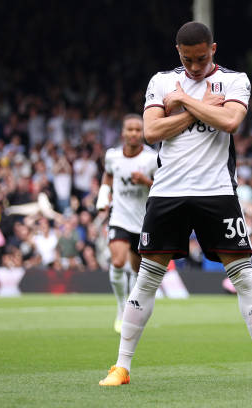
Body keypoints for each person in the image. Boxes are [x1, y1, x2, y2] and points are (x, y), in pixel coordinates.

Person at [99, 22, 252, 389]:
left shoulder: (235, 81)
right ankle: (121, 366)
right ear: (178, 53)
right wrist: (195, 105)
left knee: (243, 276)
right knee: (148, 278)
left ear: (213, 49)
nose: (195, 65)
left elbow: (230, 121)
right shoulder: (161, 81)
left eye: (201, 58)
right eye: (188, 59)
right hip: (167, 191)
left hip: (217, 191)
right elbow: (152, 132)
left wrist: (182, 103)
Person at [95, 114, 158, 333]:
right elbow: (108, 175)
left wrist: (146, 181)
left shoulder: (151, 159)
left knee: (136, 269)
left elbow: (162, 187)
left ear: (143, 132)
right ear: (123, 133)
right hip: (119, 218)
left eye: (137, 130)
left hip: (142, 222)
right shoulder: (112, 156)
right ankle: (121, 307)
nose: (133, 133)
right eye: (129, 129)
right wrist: (104, 196)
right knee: (118, 261)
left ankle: (131, 305)